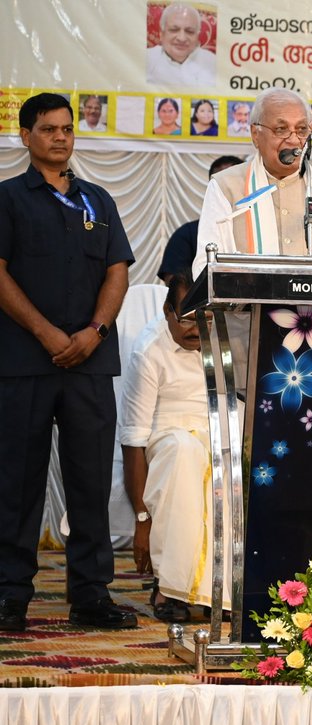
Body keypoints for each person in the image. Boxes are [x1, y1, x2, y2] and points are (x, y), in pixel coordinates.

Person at [0, 92, 137, 630]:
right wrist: (48, 332)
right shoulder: (8, 198)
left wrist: (96, 331)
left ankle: (90, 595)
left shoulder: (97, 201)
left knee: (89, 482)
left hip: (90, 364)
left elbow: (117, 269)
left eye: (67, 128)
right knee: (17, 481)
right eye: (49, 129)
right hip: (23, 362)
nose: (60, 137)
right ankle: (10, 595)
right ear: (26, 136)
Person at [120, 273, 217, 621]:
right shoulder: (149, 350)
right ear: (167, 312)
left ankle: (214, 592)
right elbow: (133, 438)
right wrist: (142, 519)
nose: (196, 329)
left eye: (204, 318)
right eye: (187, 319)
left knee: (226, 457)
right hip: (165, 435)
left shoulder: (221, 340)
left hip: (214, 428)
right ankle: (170, 589)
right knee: (184, 451)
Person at [192, 87, 312, 279]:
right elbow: (205, 267)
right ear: (255, 134)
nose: (293, 140)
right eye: (281, 129)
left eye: (301, 130)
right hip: (247, 308)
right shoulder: (226, 186)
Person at [157, 155, 243, 283]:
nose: (229, 190)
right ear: (211, 189)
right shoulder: (186, 234)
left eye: (235, 184)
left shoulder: (262, 228)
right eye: (222, 185)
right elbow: (173, 282)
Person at [145, 2, 217, 87]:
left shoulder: (213, 62)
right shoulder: (146, 59)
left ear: (197, 36)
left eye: (189, 31)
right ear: (161, 34)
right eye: (174, 30)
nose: (182, 38)